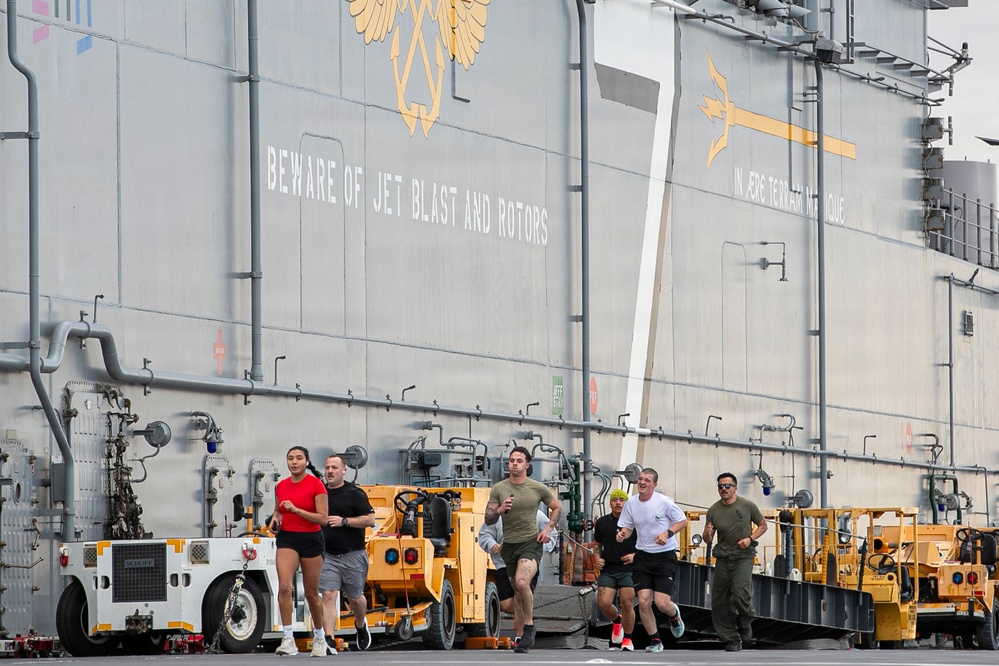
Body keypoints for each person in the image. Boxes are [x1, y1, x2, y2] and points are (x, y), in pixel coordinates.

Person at [485, 446, 561, 654]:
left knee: (521, 582)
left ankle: (528, 627)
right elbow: (488, 519)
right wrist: (500, 510)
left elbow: (557, 507)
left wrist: (547, 529)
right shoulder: (499, 489)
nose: (514, 464)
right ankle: (522, 632)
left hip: (530, 544)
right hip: (509, 546)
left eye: (519, 460)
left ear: (527, 465)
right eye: (511, 460)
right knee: (517, 594)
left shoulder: (537, 488)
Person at [615, 467, 687, 653]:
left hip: (664, 556)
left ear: (654, 484)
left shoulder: (664, 502)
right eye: (640, 479)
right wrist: (623, 534)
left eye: (647, 480)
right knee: (644, 601)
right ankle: (655, 641)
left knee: (661, 603)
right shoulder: (631, 503)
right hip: (643, 556)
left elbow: (682, 521)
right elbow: (628, 527)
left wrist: (667, 533)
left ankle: (674, 615)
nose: (642, 482)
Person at [268, 446, 330, 657]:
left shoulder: (316, 485)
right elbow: (278, 510)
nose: (294, 462)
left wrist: (296, 510)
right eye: (290, 459)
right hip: (287, 538)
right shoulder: (282, 485)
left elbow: (322, 519)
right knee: (285, 586)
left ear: (306, 461)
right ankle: (288, 638)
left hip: (311, 539)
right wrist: (275, 520)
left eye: (299, 458)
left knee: (312, 594)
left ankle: (320, 638)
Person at [702, 472, 768, 652]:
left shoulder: (747, 506)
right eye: (720, 486)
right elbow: (708, 539)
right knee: (719, 601)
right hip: (723, 557)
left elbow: (763, 525)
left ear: (735, 488)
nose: (723, 489)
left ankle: (746, 619)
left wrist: (750, 538)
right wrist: (707, 533)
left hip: (743, 556)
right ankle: (732, 638)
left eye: (727, 486)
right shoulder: (713, 510)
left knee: (740, 592)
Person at [319, 454, 376, 653]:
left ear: (344, 471)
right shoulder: (320, 493)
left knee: (355, 598)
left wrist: (344, 521)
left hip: (353, 554)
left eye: (334, 467)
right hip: (328, 556)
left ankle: (360, 624)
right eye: (327, 467)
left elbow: (370, 519)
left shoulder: (354, 493)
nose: (330, 471)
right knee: (328, 594)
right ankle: (329, 639)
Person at [477, 510, 558, 644]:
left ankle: (521, 635)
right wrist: (492, 545)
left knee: (521, 591)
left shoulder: (536, 515)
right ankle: (525, 615)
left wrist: (537, 549)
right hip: (503, 563)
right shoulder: (498, 517)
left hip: (528, 562)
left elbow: (551, 534)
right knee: (507, 605)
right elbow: (485, 535)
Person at [594, 488, 637, 651]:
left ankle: (627, 639)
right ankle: (617, 621)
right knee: (603, 603)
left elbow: (646, 544)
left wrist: (635, 555)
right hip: (609, 569)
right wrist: (597, 558)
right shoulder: (603, 522)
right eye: (615, 500)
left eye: (622, 500)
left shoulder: (634, 522)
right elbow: (597, 544)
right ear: (610, 503)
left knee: (627, 603)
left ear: (627, 503)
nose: (618, 503)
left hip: (628, 569)